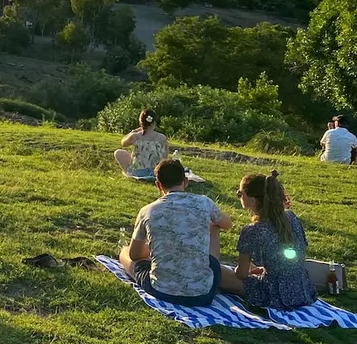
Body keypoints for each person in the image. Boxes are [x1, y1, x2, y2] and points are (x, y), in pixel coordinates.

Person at [119, 158, 236, 305]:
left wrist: (160, 248)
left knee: (125, 252)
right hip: (204, 294)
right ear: (186, 181)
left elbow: (134, 255)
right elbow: (227, 224)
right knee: (215, 225)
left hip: (163, 291)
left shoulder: (147, 211)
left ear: (158, 185)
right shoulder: (204, 202)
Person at [232, 171, 318, 310]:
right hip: (303, 290)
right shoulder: (291, 217)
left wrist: (243, 270)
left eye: (240, 193)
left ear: (253, 200)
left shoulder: (251, 230)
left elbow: (241, 274)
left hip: (273, 294)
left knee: (219, 272)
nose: (239, 196)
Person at [114, 109, 169, 180]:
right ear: (154, 122)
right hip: (157, 173)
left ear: (141, 122)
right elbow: (165, 157)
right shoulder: (163, 138)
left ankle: (128, 173)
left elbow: (123, 143)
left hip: (138, 172)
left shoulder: (135, 136)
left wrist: (133, 132)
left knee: (118, 153)